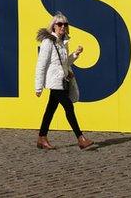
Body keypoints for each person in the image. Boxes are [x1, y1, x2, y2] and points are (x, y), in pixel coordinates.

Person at [34, 13, 93, 150]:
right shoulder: (48, 42)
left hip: (63, 80)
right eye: (60, 24)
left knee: (50, 109)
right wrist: (38, 87)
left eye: (65, 24)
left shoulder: (63, 42)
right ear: (54, 26)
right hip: (55, 81)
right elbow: (41, 65)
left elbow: (64, 63)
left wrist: (75, 54)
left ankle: (42, 138)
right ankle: (80, 138)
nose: (63, 27)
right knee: (68, 107)